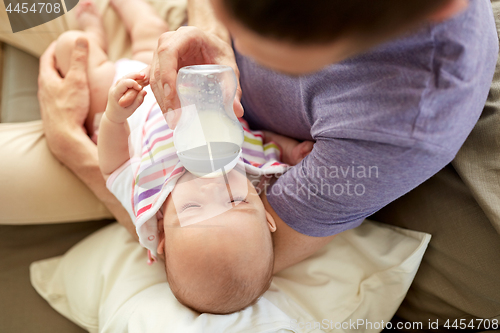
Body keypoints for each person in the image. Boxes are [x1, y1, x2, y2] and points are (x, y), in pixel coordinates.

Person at [35, 0, 499, 328]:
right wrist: (210, 33)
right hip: (170, 65)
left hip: (116, 125)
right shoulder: (257, 170)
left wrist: (69, 144)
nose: (215, 185)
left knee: (64, 44)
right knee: (23, 9)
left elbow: (224, 255)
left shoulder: (397, 131)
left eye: (275, 51)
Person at [53, 0, 314, 314]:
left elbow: (113, 165)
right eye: (235, 201)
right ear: (267, 215)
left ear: (162, 234)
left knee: (77, 51)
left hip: (124, 100)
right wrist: (290, 150)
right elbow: (263, 142)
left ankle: (92, 31)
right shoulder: (255, 172)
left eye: (193, 207)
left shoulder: (150, 205)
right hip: (169, 88)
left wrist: (114, 117)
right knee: (150, 31)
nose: (211, 189)